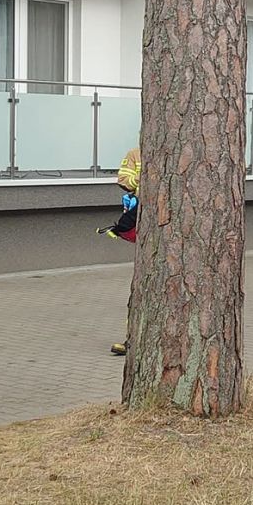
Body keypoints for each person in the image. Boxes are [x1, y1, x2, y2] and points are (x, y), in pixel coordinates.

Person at [98, 146, 142, 356]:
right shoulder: (136, 153)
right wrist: (142, 181)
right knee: (140, 291)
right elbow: (124, 178)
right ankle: (132, 339)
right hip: (144, 216)